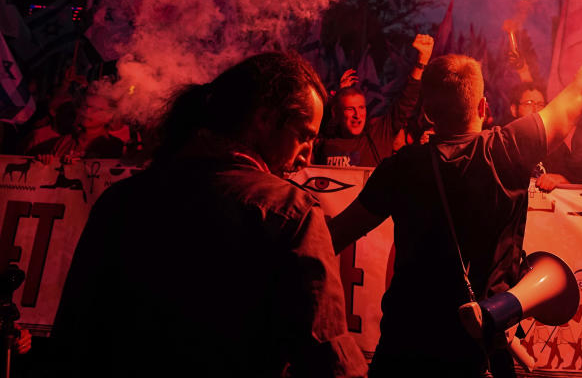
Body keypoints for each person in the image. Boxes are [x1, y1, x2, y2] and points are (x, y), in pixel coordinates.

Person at [329, 3, 582, 377]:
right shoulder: (507, 149)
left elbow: (333, 238)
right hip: (478, 347)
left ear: (426, 115)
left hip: (405, 346)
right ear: (484, 107)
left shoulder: (399, 169)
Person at [51, 52, 366, 377]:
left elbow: (72, 340)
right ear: (264, 119)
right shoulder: (290, 212)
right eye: (303, 137)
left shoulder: (119, 200)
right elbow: (328, 358)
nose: (307, 157)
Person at [317, 34, 433, 168]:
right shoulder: (326, 141)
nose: (357, 115)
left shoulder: (378, 135)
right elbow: (317, 119)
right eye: (350, 109)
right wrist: (340, 96)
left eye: (361, 108)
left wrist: (421, 62)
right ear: (337, 113)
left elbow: (405, 101)